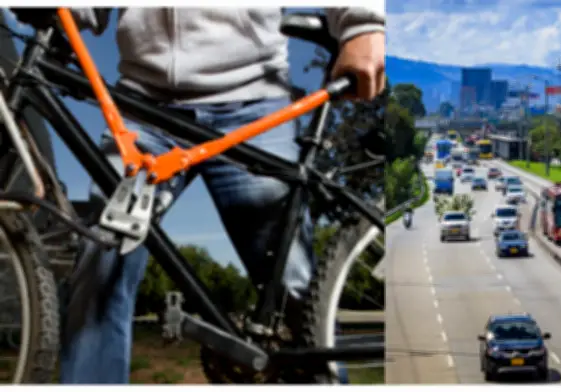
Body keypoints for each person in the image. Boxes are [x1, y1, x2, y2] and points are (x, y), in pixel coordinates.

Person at [38, 7, 386, 384]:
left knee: (295, 287)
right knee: (101, 262)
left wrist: (364, 25)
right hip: (142, 109)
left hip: (253, 100)